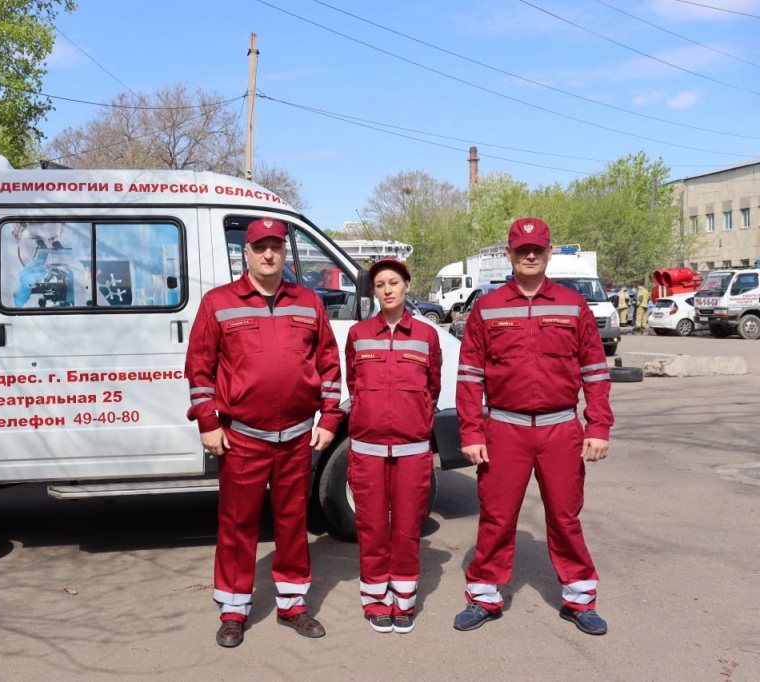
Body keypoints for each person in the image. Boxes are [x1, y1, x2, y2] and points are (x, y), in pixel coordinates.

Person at [185, 217, 344, 648]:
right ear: (246, 253)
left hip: (295, 436)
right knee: (238, 524)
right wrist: (208, 423)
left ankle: (293, 605)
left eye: (275, 246)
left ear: (284, 252)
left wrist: (329, 419)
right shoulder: (219, 302)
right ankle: (234, 609)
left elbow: (328, 365)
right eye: (260, 247)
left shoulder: (308, 302)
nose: (269, 254)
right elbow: (199, 368)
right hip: (242, 437)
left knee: (293, 522)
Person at [453, 217, 614, 636]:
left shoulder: (572, 304)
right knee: (497, 517)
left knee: (564, 517)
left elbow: (595, 371)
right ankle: (484, 596)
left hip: (561, 428)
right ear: (509, 254)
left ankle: (579, 599)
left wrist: (597, 425)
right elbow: (470, 376)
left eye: (537, 249)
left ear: (548, 253)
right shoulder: (487, 308)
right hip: (504, 429)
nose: (529, 255)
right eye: (522, 250)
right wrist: (470, 432)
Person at [345, 258, 441, 634]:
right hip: (367, 449)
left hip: (412, 450)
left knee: (406, 527)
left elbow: (432, 387)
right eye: (380, 283)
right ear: (373, 290)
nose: (387, 289)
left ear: (406, 287)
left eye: (394, 282)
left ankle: (403, 599)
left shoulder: (427, 335)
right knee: (370, 526)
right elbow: (354, 383)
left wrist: (414, 419)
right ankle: (374, 598)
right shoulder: (358, 334)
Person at [5, 223, 102, 308]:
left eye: (52, 239)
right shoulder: (1, 269)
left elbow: (100, 303)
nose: (47, 247)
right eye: (36, 239)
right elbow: (2, 315)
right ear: (16, 236)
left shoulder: (69, 261)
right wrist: (20, 295)